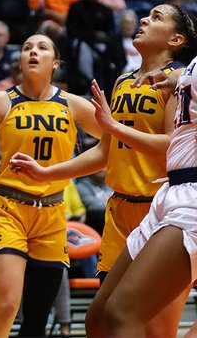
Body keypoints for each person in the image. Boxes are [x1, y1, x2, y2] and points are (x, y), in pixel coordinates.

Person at [0, 34, 99, 338]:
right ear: (20, 61)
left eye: (42, 48)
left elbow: (113, 145)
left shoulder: (73, 105)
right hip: (7, 210)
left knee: (37, 319)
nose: (33, 52)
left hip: (51, 213)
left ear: (55, 63)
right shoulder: (0, 100)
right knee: (8, 305)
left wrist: (65, 170)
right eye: (26, 48)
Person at [80, 20, 197, 336]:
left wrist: (115, 126)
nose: (145, 20)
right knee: (99, 320)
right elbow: (105, 152)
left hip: (187, 197)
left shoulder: (179, 70)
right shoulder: (164, 76)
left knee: (131, 317)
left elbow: (170, 141)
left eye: (157, 17)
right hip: (159, 197)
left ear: (176, 38)